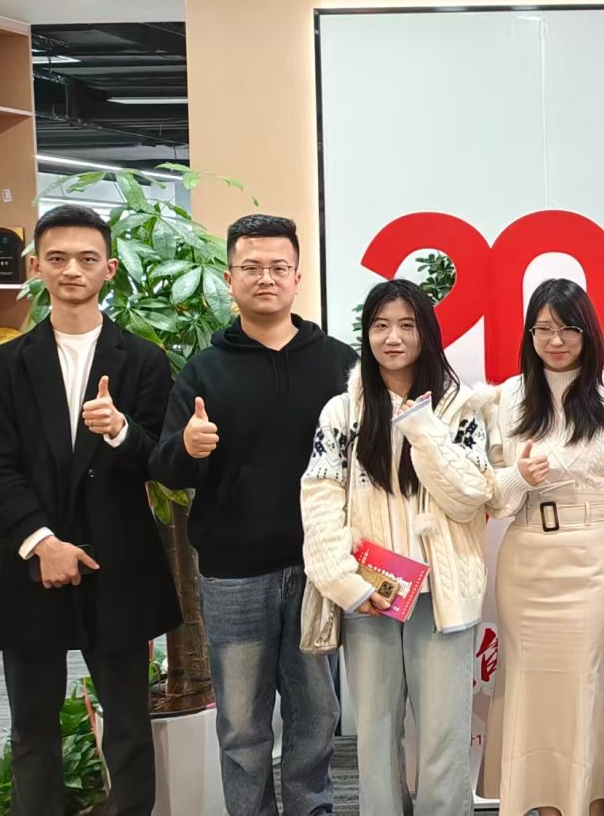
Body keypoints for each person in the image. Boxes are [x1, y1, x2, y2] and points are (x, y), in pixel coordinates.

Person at [151, 214, 354, 816]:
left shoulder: (339, 364)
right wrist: (188, 449)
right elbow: (167, 469)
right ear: (230, 278)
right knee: (242, 724)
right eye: (251, 267)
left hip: (318, 569)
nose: (265, 278)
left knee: (317, 713)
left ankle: (312, 809)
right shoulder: (203, 370)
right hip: (233, 573)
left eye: (278, 267)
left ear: (297, 277)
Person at [0, 206, 180, 816]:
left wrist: (120, 430)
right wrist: (41, 542)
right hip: (28, 559)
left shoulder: (143, 360)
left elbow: (162, 462)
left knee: (128, 725)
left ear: (110, 269)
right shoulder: (0, 365)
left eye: (87, 258)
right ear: (35, 266)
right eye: (58, 258)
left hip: (119, 562)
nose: (73, 269)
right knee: (32, 729)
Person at [300, 279, 496, 814]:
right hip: (371, 594)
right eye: (381, 326)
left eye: (407, 325)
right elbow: (319, 501)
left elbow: (469, 497)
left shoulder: (461, 410)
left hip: (442, 595)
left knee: (444, 738)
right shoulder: (342, 412)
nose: (393, 338)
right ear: (366, 335)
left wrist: (422, 426)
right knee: (375, 738)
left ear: (426, 333)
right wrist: (347, 584)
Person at [478, 278, 604, 816]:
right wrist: (520, 477)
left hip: (597, 556)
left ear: (588, 331)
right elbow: (494, 499)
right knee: (533, 690)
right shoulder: (505, 398)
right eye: (543, 329)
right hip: (526, 557)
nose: (555, 341)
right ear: (529, 333)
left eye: (568, 328)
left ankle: (586, 807)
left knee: (588, 687)